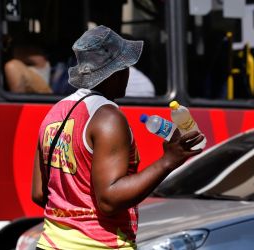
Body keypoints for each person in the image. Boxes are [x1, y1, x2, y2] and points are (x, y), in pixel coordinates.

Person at [31, 25, 204, 250]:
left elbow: (38, 193)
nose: (127, 73)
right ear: (114, 72)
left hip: (50, 244)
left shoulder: (54, 113)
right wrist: (168, 161)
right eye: (124, 67)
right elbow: (109, 201)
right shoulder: (108, 118)